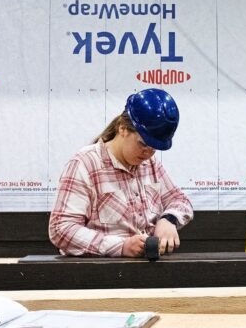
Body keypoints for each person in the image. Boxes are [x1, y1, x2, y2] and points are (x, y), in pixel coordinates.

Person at [49, 88, 193, 257]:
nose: (148, 153)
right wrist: (120, 246)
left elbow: (179, 200)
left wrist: (168, 219)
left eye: (155, 148)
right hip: (99, 275)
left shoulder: (149, 163)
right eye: (143, 144)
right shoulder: (85, 164)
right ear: (123, 128)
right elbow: (61, 228)